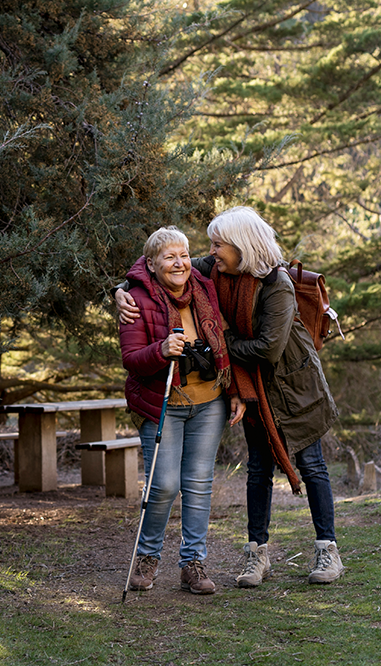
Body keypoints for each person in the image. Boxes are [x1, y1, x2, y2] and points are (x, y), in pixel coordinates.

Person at [116, 207, 344, 586]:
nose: (211, 251)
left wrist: (216, 344)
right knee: (257, 469)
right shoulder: (219, 269)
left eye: (218, 244)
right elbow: (158, 263)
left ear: (241, 246)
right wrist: (120, 290)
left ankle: (327, 551)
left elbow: (269, 349)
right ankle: (257, 555)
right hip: (253, 387)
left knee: (312, 465)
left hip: (294, 385)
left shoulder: (277, 285)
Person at [119, 226, 245, 595]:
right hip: (162, 406)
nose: (179, 263)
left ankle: (193, 563)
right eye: (169, 257)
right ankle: (148, 557)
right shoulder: (136, 299)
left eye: (184, 255)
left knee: (199, 485)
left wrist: (235, 391)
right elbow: (131, 360)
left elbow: (222, 343)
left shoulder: (205, 287)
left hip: (209, 403)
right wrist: (161, 349)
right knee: (163, 485)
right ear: (152, 264)